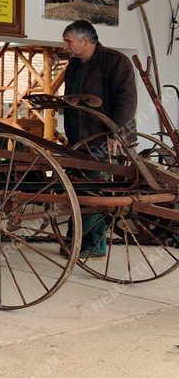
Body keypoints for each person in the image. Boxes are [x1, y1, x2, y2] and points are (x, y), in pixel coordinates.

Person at [61, 19, 138, 257]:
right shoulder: (74, 66)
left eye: (69, 41)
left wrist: (115, 132)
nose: (66, 46)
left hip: (106, 138)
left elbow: (127, 101)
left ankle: (93, 245)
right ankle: (75, 242)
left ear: (85, 40)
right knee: (77, 190)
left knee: (95, 190)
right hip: (79, 140)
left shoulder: (115, 62)